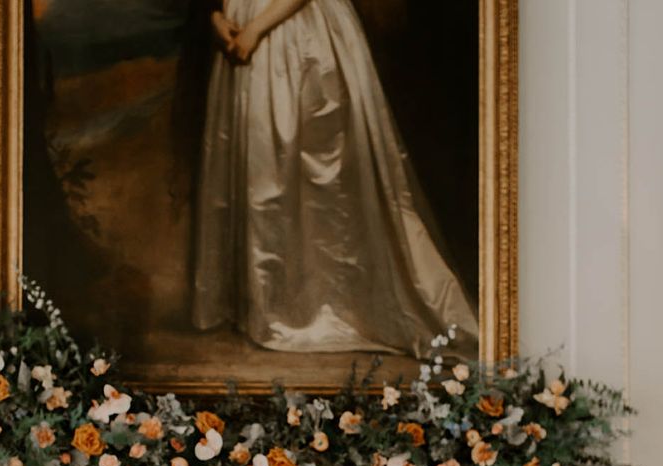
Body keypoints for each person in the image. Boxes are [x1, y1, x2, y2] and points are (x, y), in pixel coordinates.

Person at [193, 0, 478, 357]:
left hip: (299, 33)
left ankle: (323, 306)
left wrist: (257, 27)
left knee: (316, 177)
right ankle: (273, 301)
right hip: (244, 27)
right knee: (264, 171)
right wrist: (217, 16)